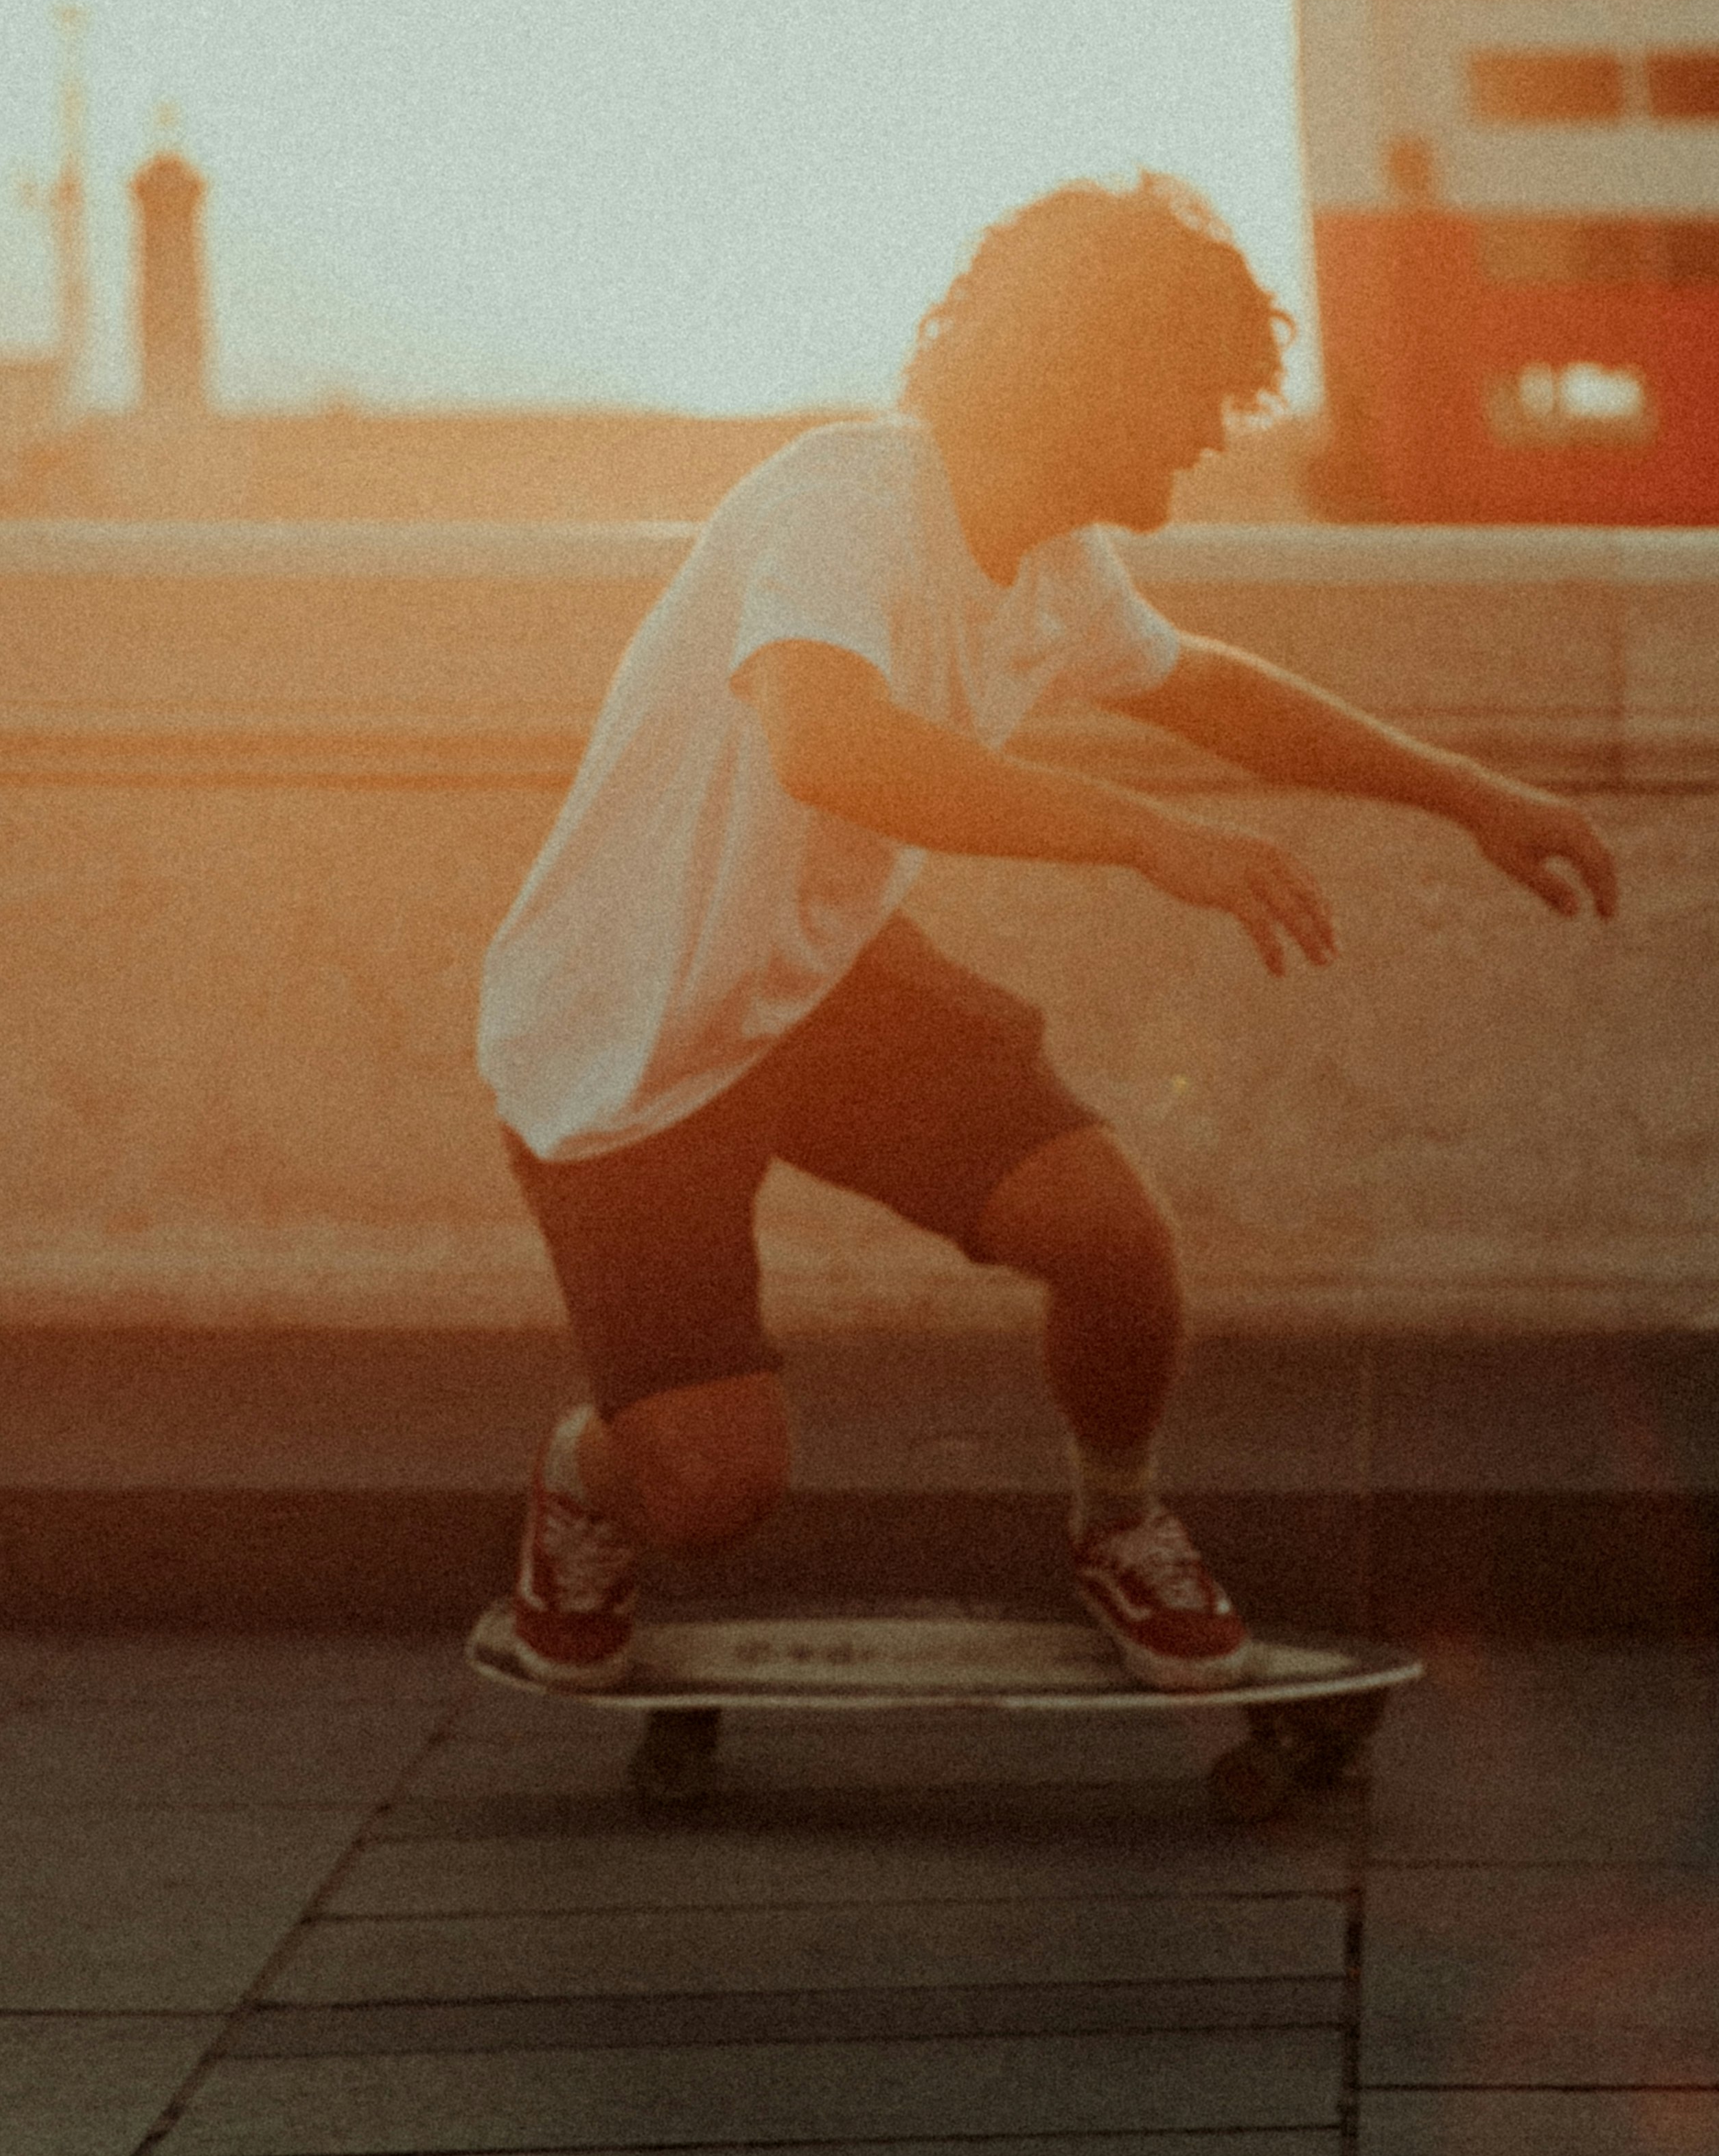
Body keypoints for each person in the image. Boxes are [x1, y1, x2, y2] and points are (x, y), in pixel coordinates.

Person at [478, 173, 1617, 1691]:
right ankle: (586, 1476)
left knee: (1112, 1239)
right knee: (715, 1487)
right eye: (1194, 395)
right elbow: (833, 743)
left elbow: (1202, 685)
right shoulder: (845, 500)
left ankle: (1117, 1527)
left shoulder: (1053, 550)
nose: (1213, 434)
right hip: (626, 1027)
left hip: (818, 982)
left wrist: (1463, 791)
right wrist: (1142, 834)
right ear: (1088, 373)